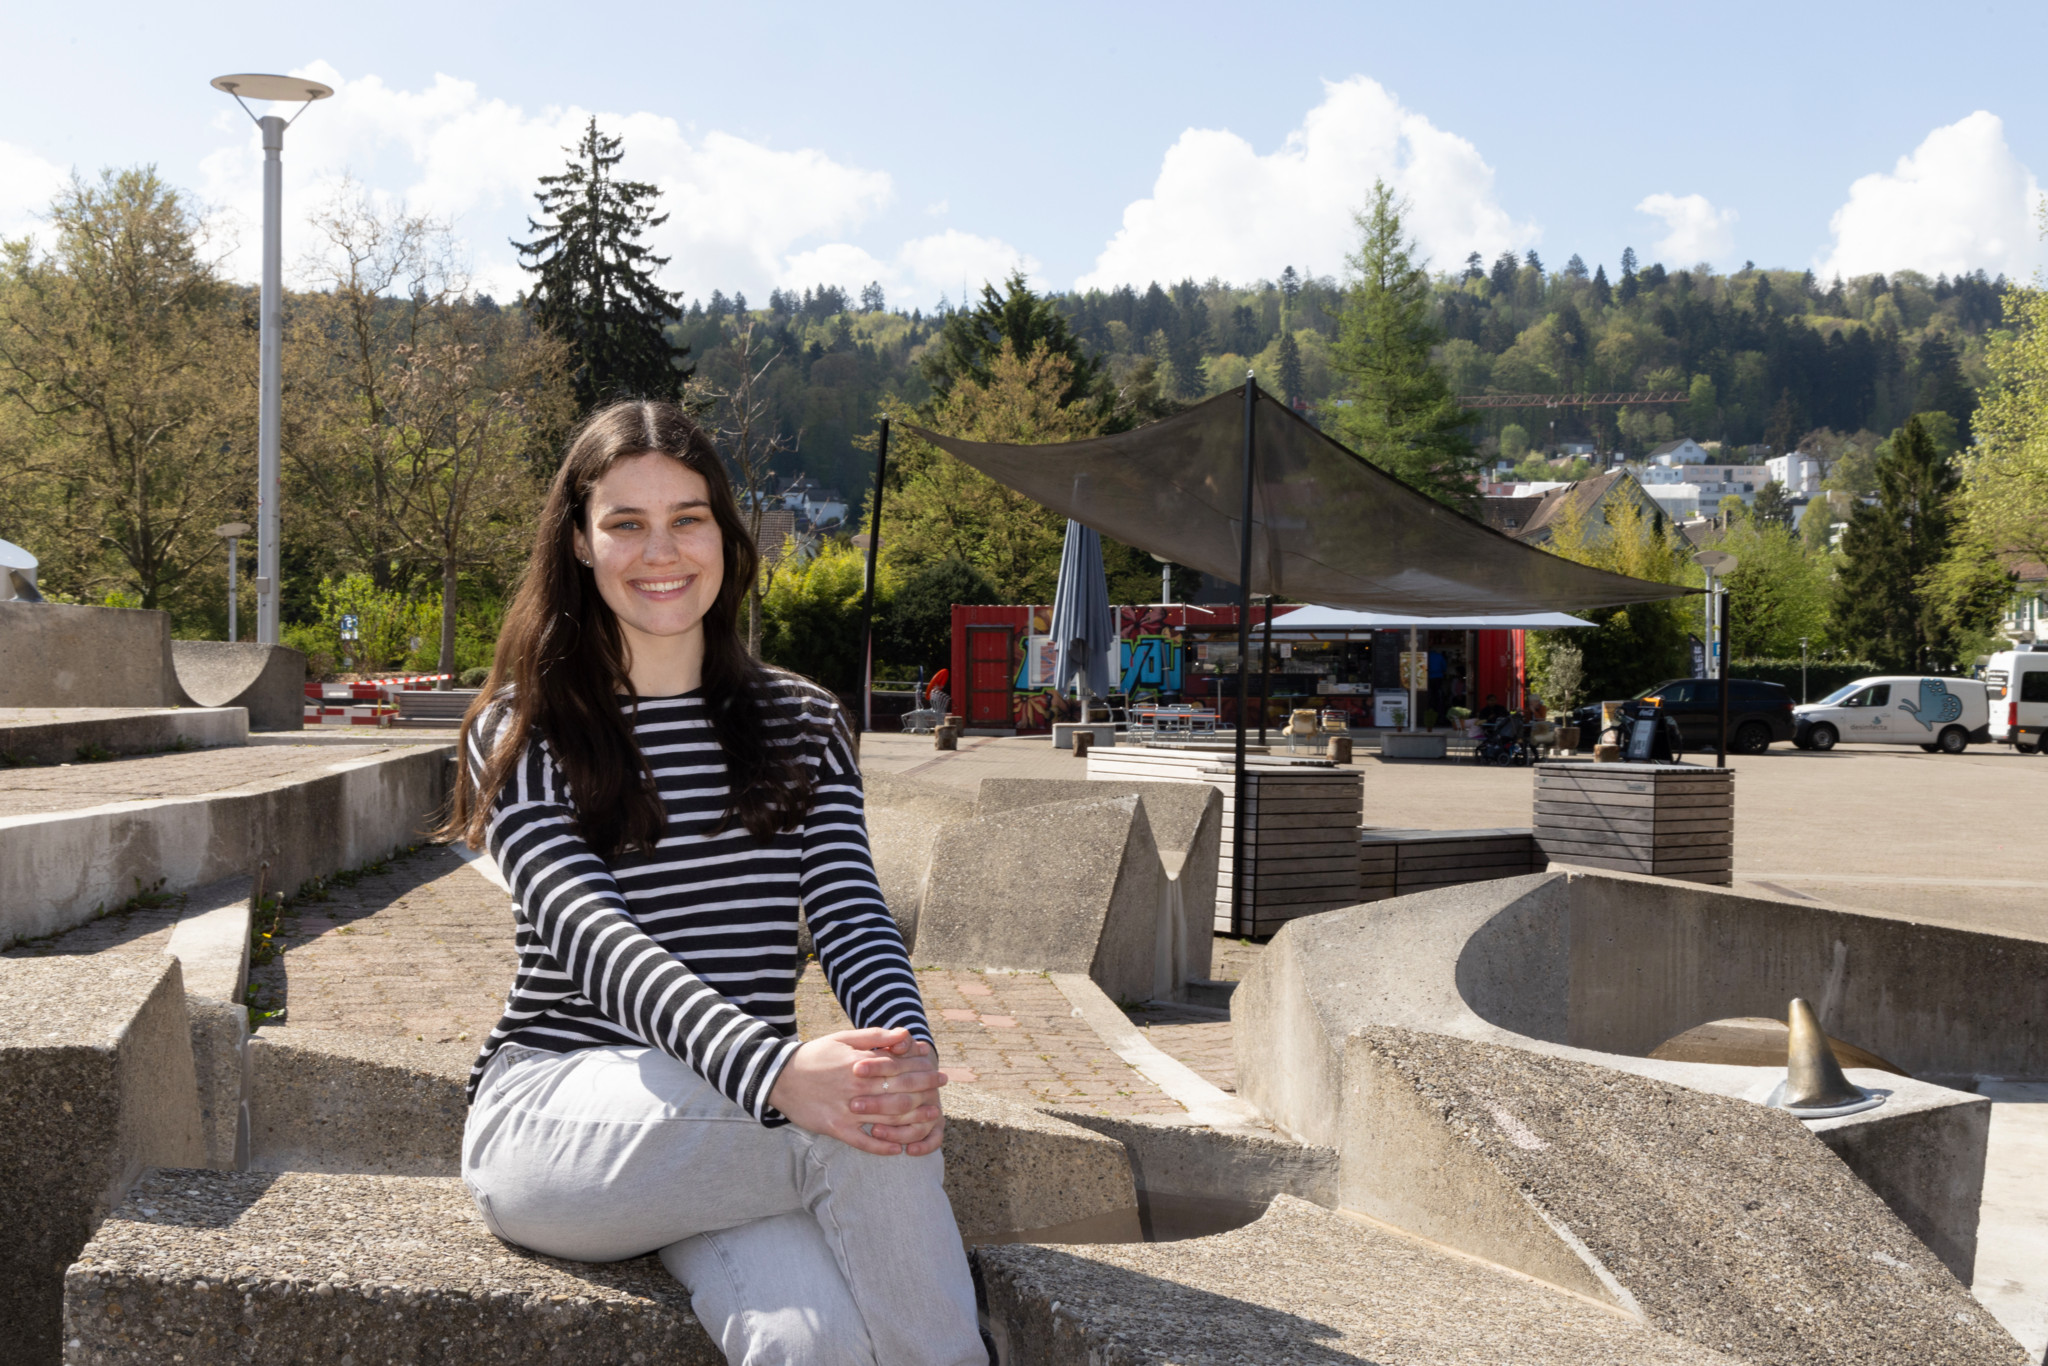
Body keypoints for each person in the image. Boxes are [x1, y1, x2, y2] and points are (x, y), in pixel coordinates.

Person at [446, 401, 986, 1366]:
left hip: (731, 1121)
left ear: (727, 538)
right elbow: (595, 940)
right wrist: (781, 1073)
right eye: (626, 522)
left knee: (808, 1343)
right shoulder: (526, 730)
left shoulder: (804, 723)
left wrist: (912, 1057)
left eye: (687, 518)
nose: (663, 550)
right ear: (578, 541)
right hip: (558, 1117)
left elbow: (854, 917)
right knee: (857, 1115)